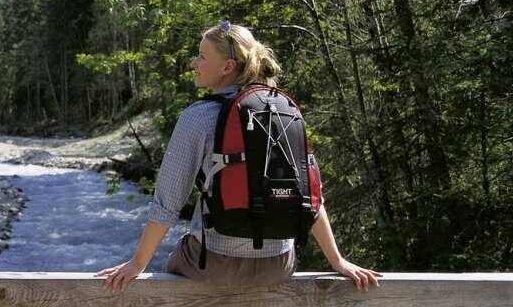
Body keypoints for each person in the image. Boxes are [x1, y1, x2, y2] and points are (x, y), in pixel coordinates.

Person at [96, 22, 382, 292]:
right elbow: (309, 195)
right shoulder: (284, 111)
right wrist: (337, 261)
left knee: (177, 259)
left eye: (201, 57)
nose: (193, 64)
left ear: (227, 67)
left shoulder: (198, 117)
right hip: (280, 264)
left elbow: (168, 200)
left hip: (218, 266)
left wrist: (138, 263)